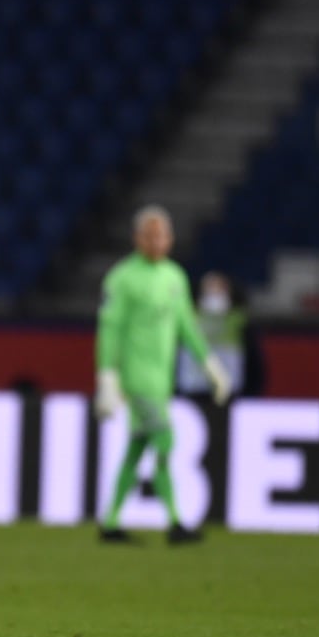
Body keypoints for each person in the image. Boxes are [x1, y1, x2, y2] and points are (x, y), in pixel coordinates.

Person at [95, 205, 230, 544]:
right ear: (137, 238)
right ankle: (174, 523)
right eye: (150, 235)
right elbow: (110, 331)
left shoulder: (175, 278)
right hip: (137, 380)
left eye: (163, 235)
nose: (157, 241)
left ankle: (110, 523)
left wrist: (211, 366)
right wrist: (107, 377)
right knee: (166, 440)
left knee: (138, 447)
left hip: (162, 382)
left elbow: (188, 327)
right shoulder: (122, 278)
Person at [176, 270, 265, 399]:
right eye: (209, 288)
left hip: (231, 391)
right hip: (192, 390)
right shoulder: (186, 320)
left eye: (220, 288)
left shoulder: (240, 321)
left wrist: (252, 392)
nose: (214, 292)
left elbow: (255, 361)